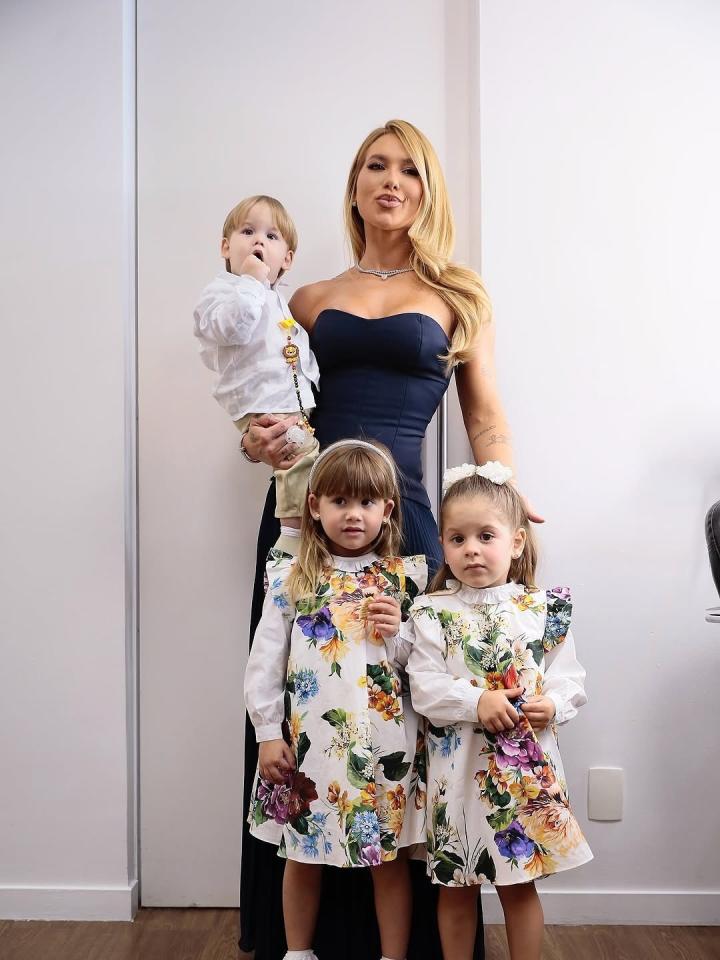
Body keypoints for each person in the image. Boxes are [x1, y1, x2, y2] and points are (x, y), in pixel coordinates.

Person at [239, 119, 541, 959]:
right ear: (355, 185)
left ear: (426, 190)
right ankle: (300, 940)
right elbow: (268, 409)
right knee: (300, 704)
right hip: (308, 522)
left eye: (409, 169)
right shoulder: (305, 298)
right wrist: (255, 441)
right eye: (376, 165)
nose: (391, 180)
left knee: (411, 714)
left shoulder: (458, 295)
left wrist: (505, 499)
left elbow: (485, 417)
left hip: (407, 521)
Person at [244, 439, 427, 960]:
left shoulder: (402, 578)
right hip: (311, 748)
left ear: (387, 510)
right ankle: (298, 952)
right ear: (315, 505)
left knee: (387, 858)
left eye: (366, 502)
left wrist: (399, 632)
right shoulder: (293, 576)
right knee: (301, 851)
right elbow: (265, 661)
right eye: (340, 501)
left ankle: (393, 956)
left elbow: (420, 667)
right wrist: (267, 732)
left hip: (384, 746)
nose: (353, 514)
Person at [406, 463, 593, 960]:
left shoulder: (541, 609)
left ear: (516, 542)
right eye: (457, 538)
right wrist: (476, 701)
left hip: (521, 777)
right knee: (456, 887)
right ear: (443, 545)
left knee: (519, 884)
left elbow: (569, 677)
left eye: (485, 536)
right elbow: (424, 687)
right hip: (457, 775)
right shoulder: (431, 612)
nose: (471, 549)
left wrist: (552, 704)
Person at [193, 195, 319, 546]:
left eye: (271, 236)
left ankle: (298, 532)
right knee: (298, 461)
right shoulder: (224, 292)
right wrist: (250, 281)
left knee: (304, 462)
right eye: (248, 232)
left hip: (286, 401)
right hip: (262, 402)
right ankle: (292, 538)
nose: (259, 241)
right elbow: (232, 328)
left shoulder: (276, 298)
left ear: (287, 259)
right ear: (225, 247)